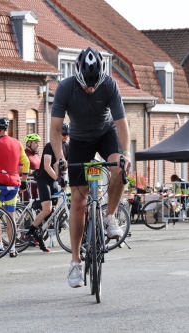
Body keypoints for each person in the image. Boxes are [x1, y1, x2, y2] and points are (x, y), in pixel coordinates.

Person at [49, 47, 130, 288]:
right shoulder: (65, 88)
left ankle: (110, 216)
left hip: (106, 134)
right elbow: (54, 130)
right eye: (87, 85)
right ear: (78, 76)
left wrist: (125, 154)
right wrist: (58, 157)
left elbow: (122, 125)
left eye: (95, 85)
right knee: (78, 201)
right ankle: (75, 261)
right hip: (80, 141)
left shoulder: (110, 85)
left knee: (120, 169)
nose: (91, 89)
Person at [0, 117, 30, 258]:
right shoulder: (17, 143)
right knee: (11, 217)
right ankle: (13, 248)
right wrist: (25, 181)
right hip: (14, 185)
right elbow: (26, 162)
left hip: (0, 186)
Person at [26, 140, 65, 253]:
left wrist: (64, 180)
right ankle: (30, 232)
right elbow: (47, 166)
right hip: (44, 180)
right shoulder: (50, 145)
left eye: (67, 134)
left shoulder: (66, 147)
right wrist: (59, 179)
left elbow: (61, 166)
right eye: (63, 134)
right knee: (47, 209)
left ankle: (40, 236)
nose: (65, 136)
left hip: (53, 181)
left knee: (51, 212)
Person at [19, 133, 41, 202]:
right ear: (29, 143)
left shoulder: (36, 155)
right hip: (27, 187)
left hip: (37, 186)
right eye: (36, 143)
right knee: (27, 209)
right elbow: (19, 168)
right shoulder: (24, 154)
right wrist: (32, 172)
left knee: (36, 210)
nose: (38, 145)